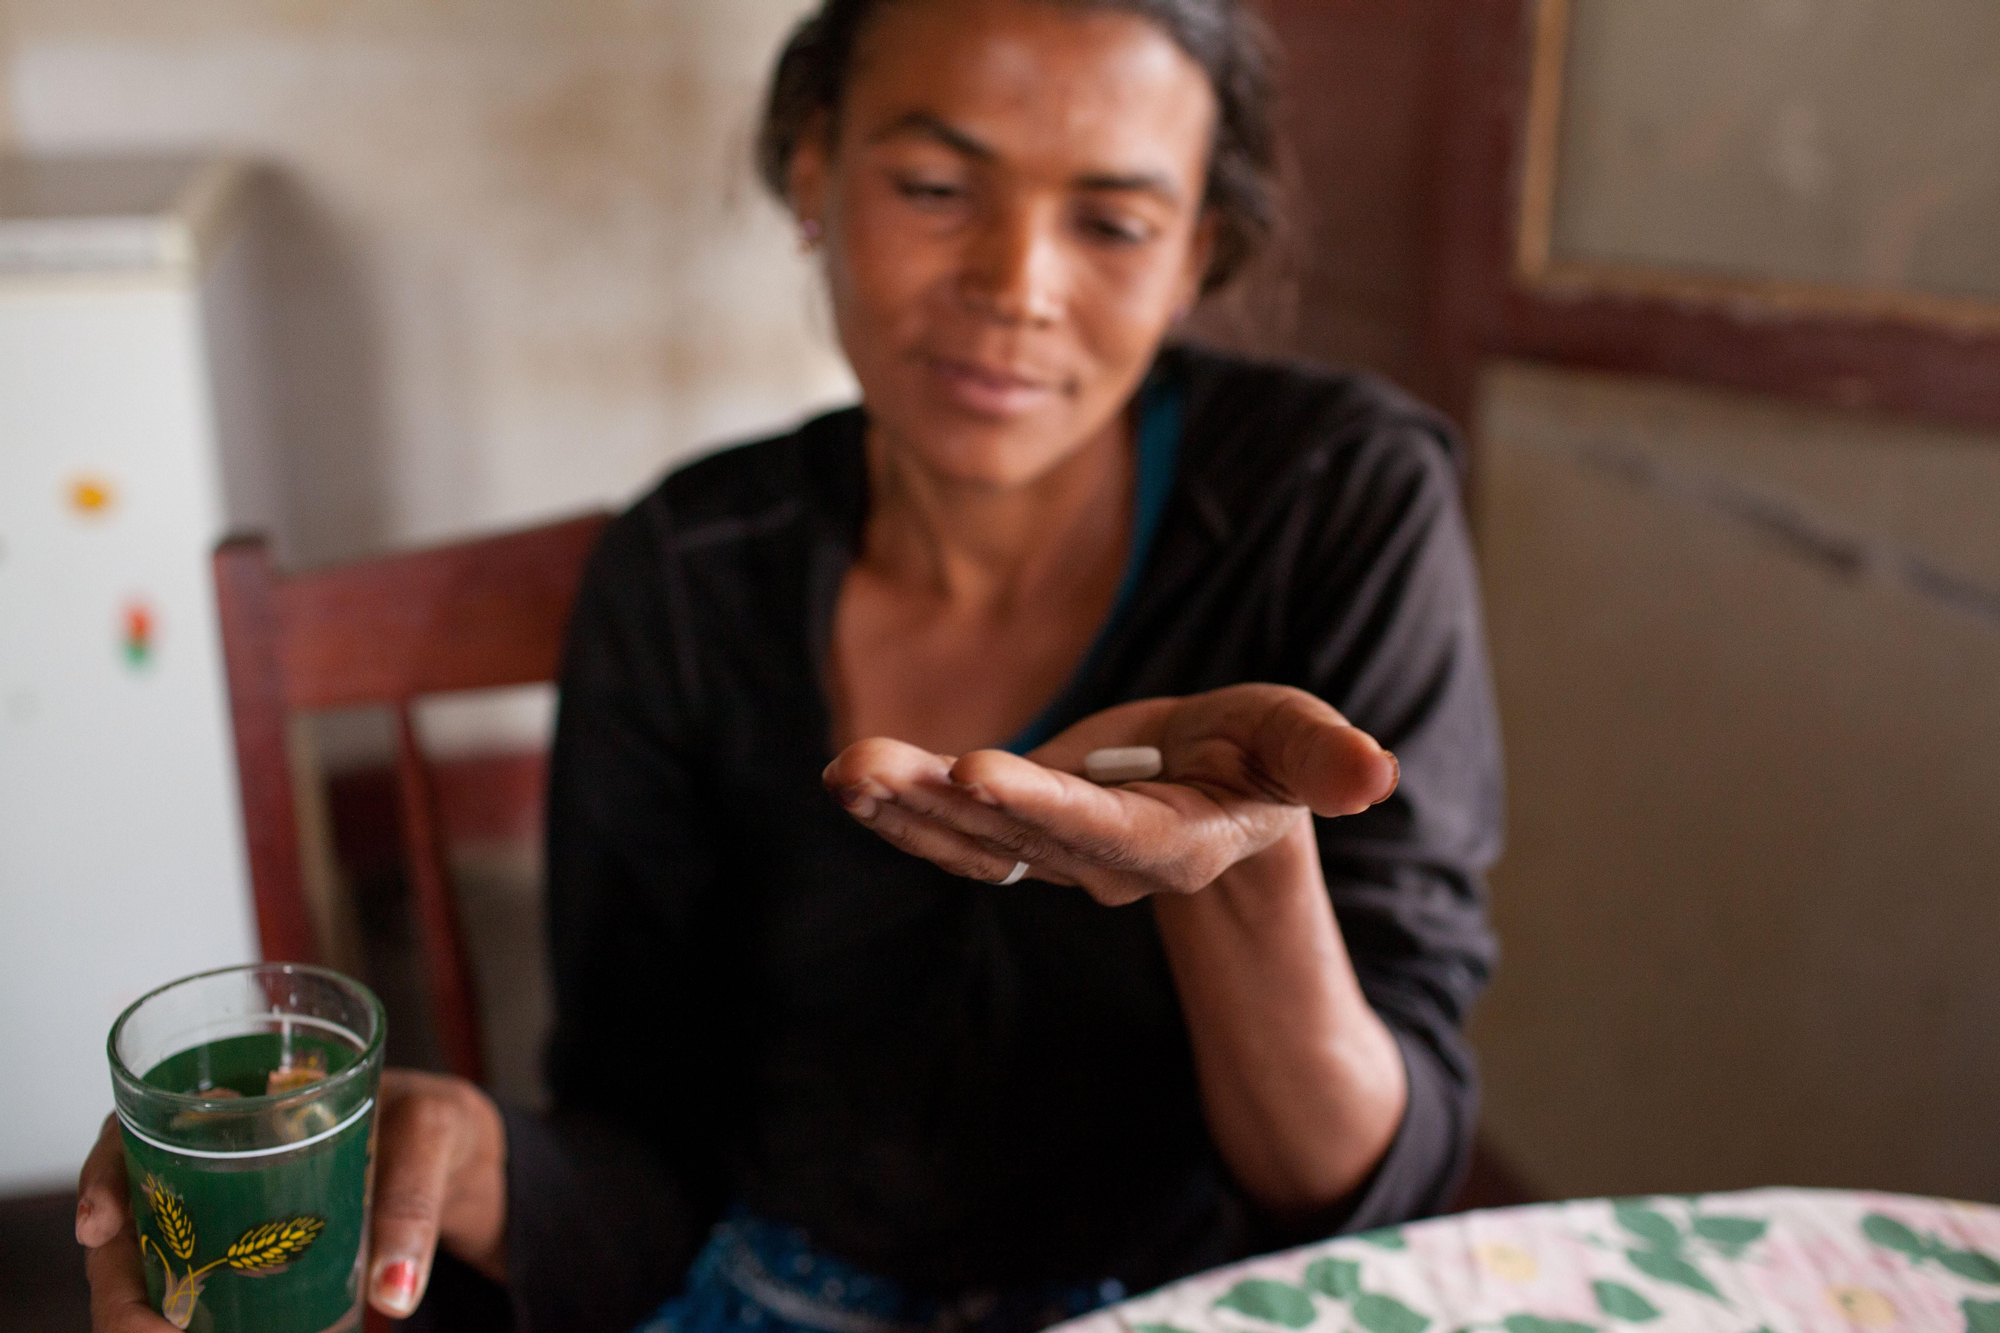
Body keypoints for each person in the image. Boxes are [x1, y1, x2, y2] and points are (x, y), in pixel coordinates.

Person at [76, 1, 1501, 1330]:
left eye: (1116, 222)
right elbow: (642, 1146)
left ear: (1199, 251)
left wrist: (1246, 880)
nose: (1018, 286)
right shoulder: (686, 573)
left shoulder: (1339, 504)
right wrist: (476, 1163)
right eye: (937, 191)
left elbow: (1374, 1182)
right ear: (813, 172)